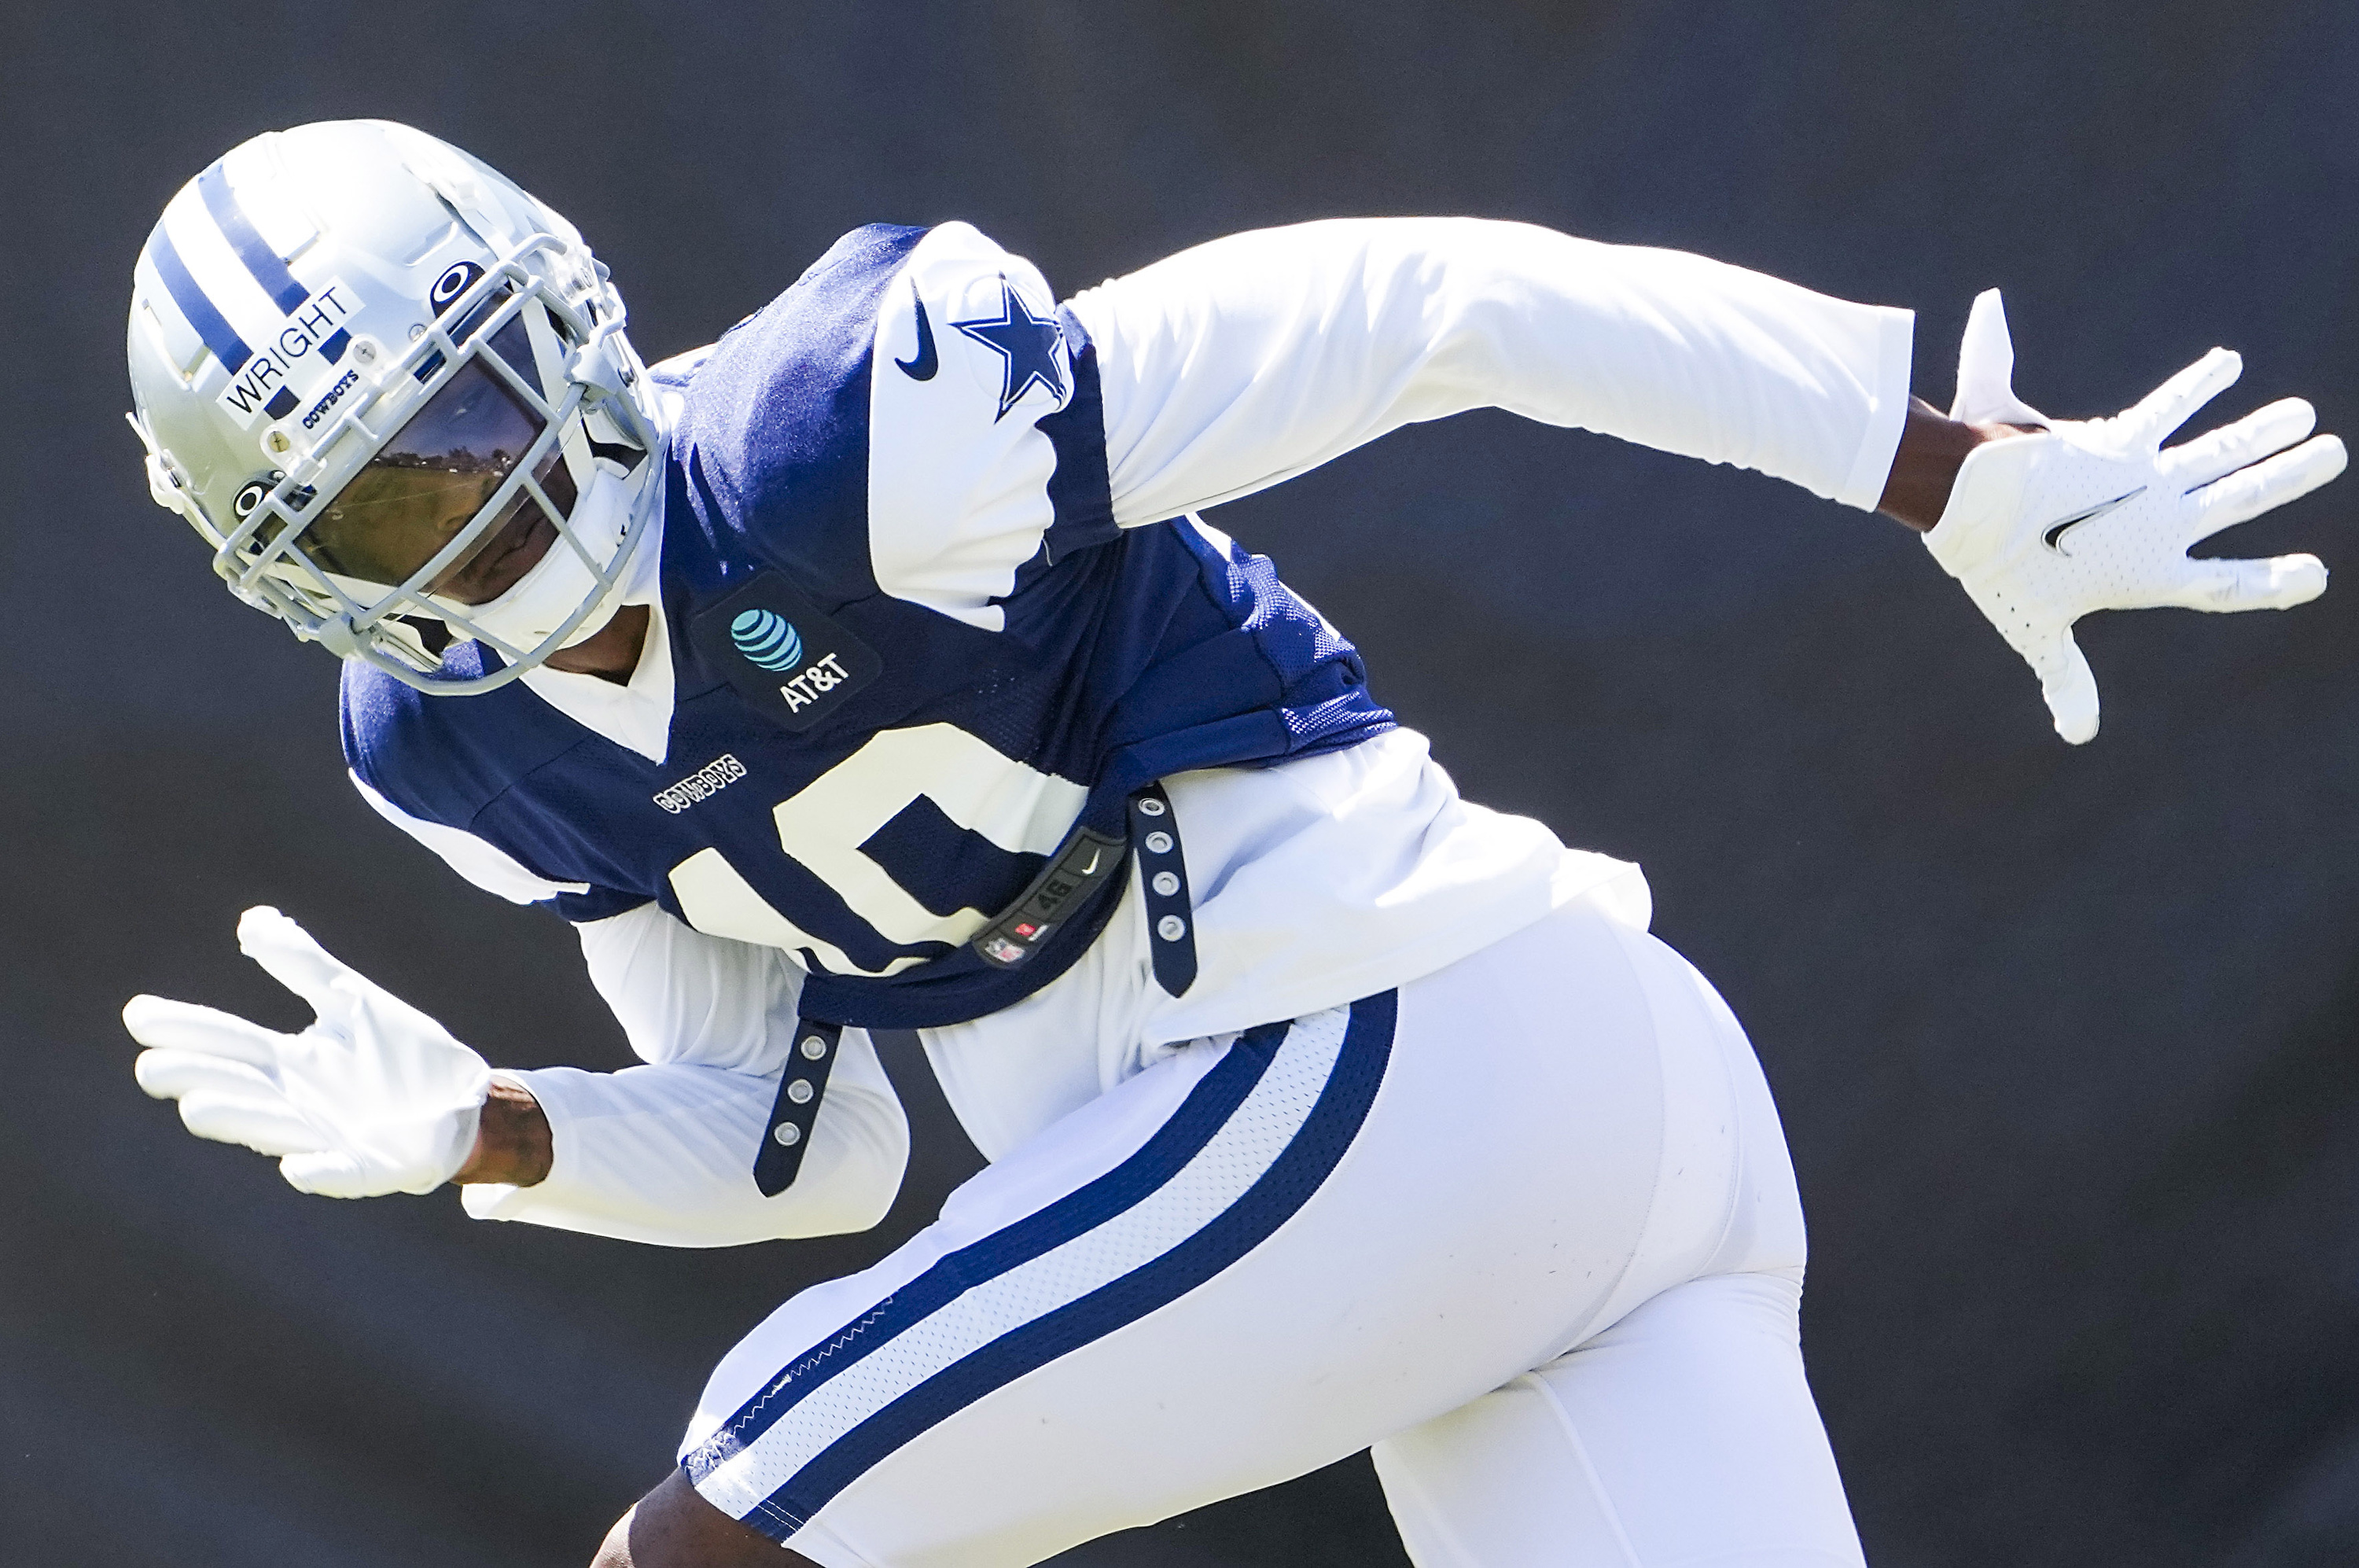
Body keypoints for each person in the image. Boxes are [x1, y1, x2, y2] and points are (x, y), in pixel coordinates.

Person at [119, 119, 2342, 1568]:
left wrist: (1927, 457)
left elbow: (1436, 309)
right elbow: (803, 1153)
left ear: (563, 302)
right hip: (1531, 1182)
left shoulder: (853, 425)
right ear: (303, 568)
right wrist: (500, 1130)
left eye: (479, 397)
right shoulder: (453, 750)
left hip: (1405, 1049)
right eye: (401, 490)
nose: (486, 490)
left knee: (734, 1517)